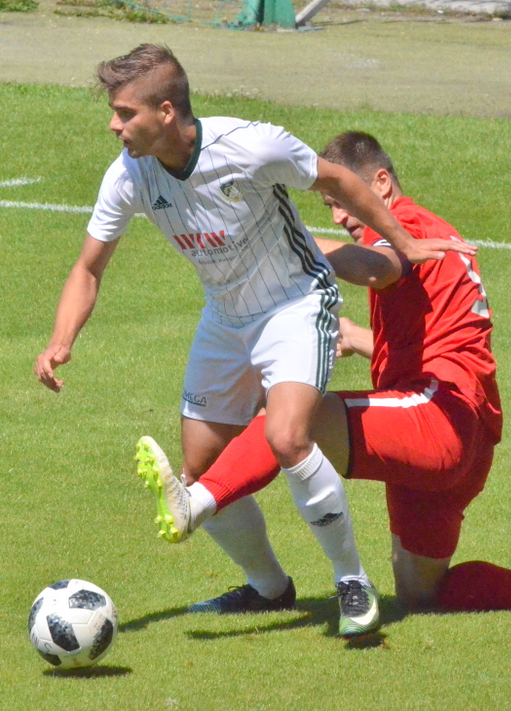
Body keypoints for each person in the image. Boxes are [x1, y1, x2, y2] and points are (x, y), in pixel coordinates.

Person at [34, 46, 473, 637]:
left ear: (166, 111)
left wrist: (405, 242)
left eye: (123, 113)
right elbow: (89, 267)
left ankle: (352, 582)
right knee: (202, 466)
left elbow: (339, 177)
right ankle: (269, 588)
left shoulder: (250, 145)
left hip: (295, 303)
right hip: (225, 318)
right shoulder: (128, 174)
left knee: (287, 435)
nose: (114, 125)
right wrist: (62, 340)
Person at [135, 131, 511, 615]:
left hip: (436, 420)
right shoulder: (436, 233)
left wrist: (283, 242)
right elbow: (440, 340)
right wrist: (358, 337)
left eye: (344, 198)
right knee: (420, 591)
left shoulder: (406, 226)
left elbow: (377, 270)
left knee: (291, 422)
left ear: (382, 183)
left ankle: (196, 502)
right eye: (328, 204)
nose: (340, 215)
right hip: (469, 435)